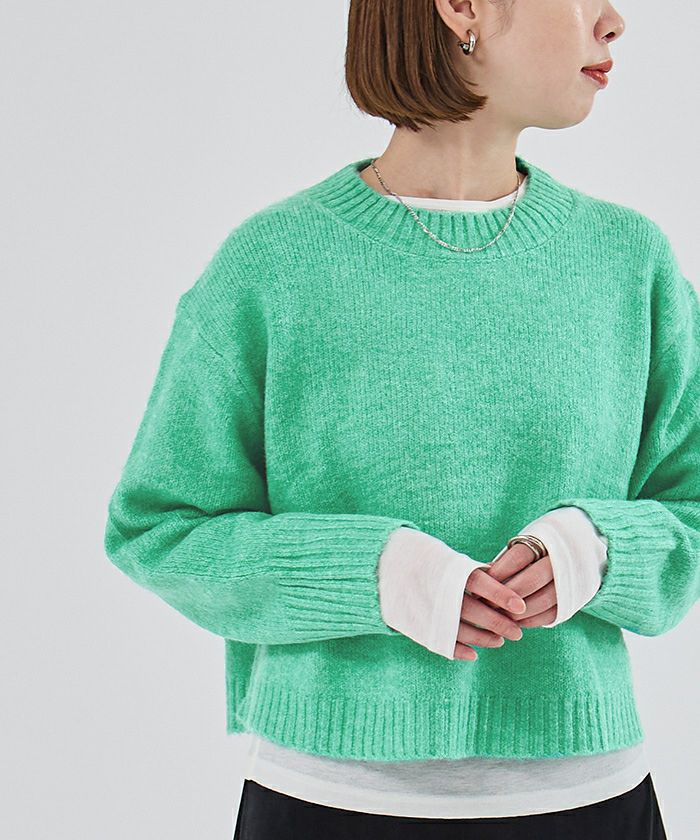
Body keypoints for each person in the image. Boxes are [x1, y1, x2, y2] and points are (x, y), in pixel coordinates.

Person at [103, 0, 699, 837]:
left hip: (589, 803)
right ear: (461, 8)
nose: (612, 21)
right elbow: (160, 527)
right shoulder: (273, 264)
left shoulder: (629, 262)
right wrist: (376, 574)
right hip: (328, 806)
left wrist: (596, 549)